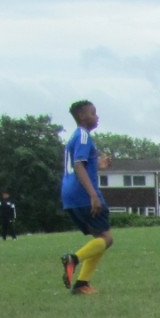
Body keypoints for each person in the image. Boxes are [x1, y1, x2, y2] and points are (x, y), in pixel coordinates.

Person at [59, 99, 110, 295]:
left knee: (99, 238)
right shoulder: (83, 136)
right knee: (107, 238)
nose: (96, 117)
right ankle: (74, 259)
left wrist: (98, 165)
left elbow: (80, 164)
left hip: (70, 195)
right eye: (93, 113)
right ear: (82, 117)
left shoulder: (76, 137)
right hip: (82, 193)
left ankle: (82, 284)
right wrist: (93, 195)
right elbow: (79, 166)